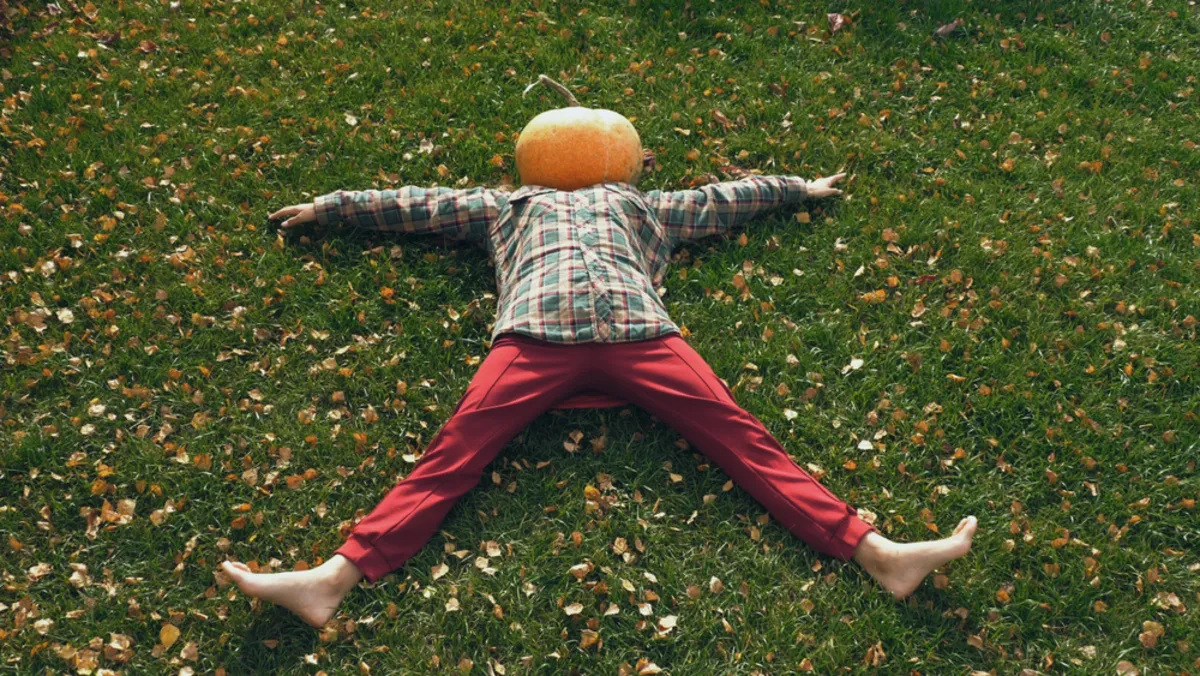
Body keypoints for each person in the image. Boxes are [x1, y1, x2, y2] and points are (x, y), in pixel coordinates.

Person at [220, 171, 977, 627]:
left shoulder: (643, 206)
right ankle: (331, 580)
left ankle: (880, 556)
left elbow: (724, 198)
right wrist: (333, 207)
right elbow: (417, 205)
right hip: (533, 337)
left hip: (641, 334)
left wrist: (797, 190)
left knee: (745, 440)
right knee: (453, 454)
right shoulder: (503, 208)